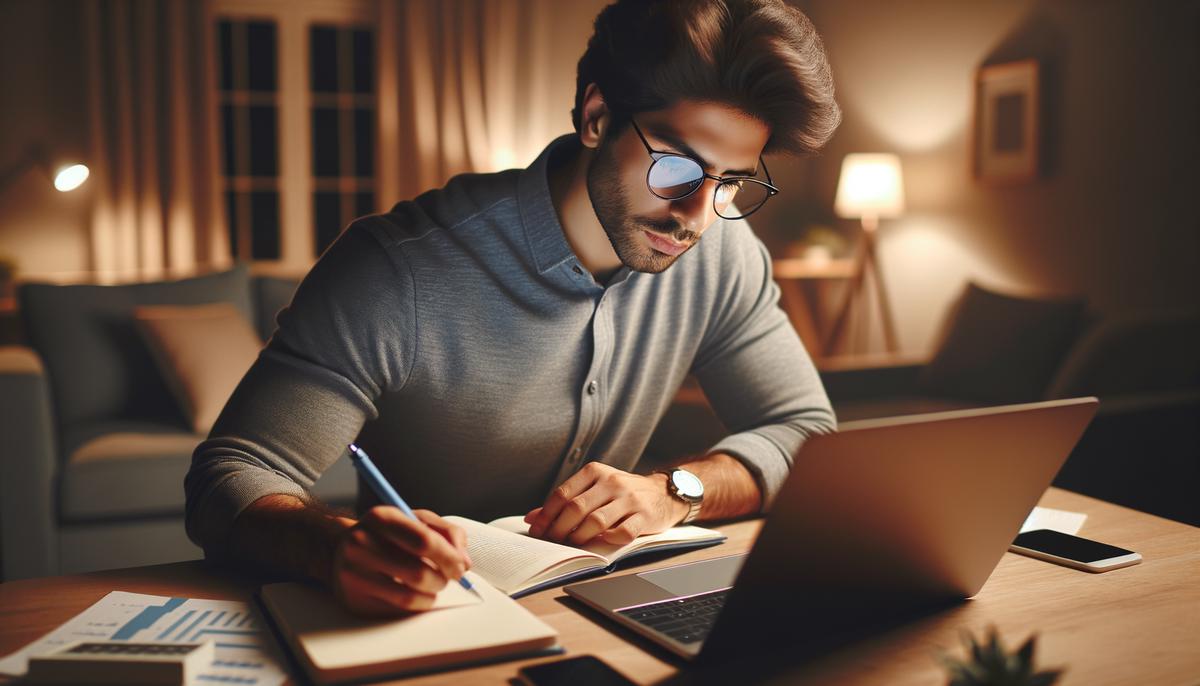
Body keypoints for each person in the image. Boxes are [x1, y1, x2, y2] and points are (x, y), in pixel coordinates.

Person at [185, 0, 841, 616]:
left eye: (731, 182)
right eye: (678, 168)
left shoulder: (725, 254)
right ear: (595, 116)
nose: (697, 218)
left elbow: (806, 430)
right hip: (434, 622)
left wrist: (674, 492)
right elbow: (232, 476)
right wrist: (332, 548)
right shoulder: (394, 270)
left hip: (610, 608)